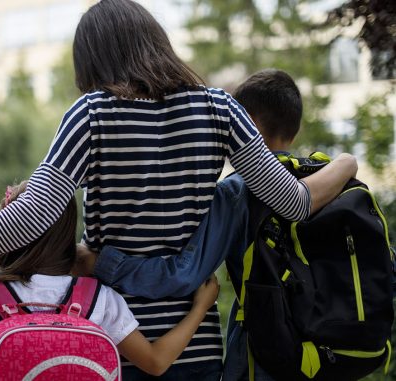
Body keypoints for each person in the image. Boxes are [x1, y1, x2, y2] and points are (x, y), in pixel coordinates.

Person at [0, 1, 356, 379]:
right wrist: (346, 162)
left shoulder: (91, 114)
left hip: (110, 341)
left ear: (92, 59)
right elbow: (295, 203)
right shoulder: (219, 108)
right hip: (196, 344)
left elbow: (30, 215)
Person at [74, 69, 352, 380]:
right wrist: (347, 161)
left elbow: (181, 274)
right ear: (294, 128)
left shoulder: (237, 193)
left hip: (263, 355)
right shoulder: (327, 182)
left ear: (247, 123)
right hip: (329, 351)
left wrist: (100, 263)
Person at [0, 182, 220, 380]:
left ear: (4, 234)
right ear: (69, 232)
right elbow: (156, 362)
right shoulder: (98, 298)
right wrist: (200, 308)